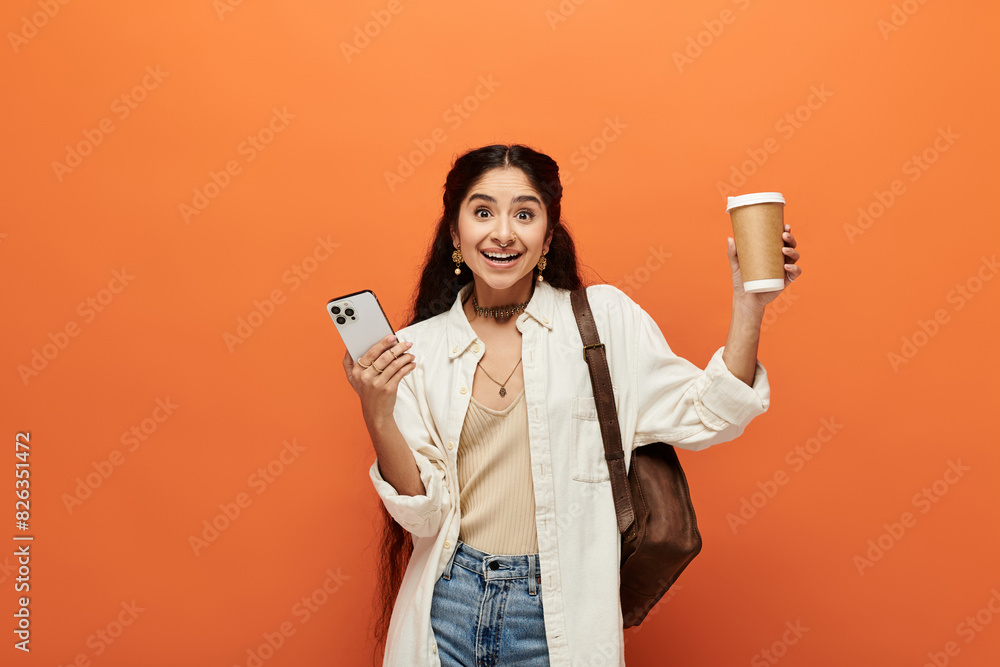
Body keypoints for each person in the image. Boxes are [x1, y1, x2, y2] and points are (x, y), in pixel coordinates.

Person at [342, 144, 802, 666]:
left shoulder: (603, 322)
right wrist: (377, 410)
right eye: (483, 211)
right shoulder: (415, 350)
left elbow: (708, 415)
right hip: (447, 607)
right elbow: (423, 518)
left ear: (548, 234)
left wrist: (749, 304)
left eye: (524, 213)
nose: (503, 233)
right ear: (455, 232)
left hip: (559, 612)